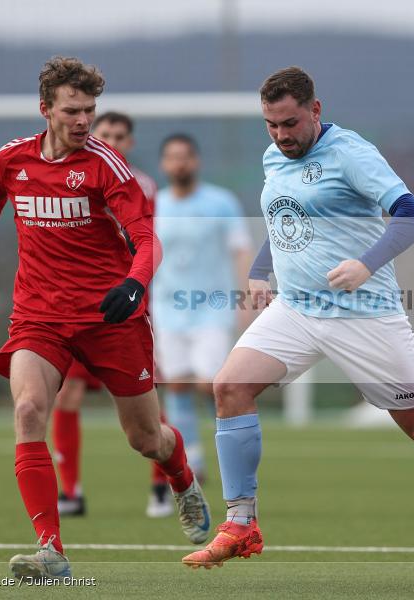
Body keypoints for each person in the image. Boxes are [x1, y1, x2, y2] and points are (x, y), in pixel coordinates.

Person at [182, 66, 414, 569]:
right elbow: (284, 217)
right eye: (271, 125)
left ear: (316, 110)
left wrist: (365, 264)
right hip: (297, 309)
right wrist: (262, 272)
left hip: (365, 314)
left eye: (289, 123)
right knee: (229, 387)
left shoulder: (352, 154)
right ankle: (241, 523)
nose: (282, 136)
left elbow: (412, 214)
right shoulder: (274, 156)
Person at [0, 56, 209, 581]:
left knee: (146, 440)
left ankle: (181, 477)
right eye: (73, 110)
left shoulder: (104, 165)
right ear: (45, 108)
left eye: (90, 110)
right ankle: (51, 550)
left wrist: (134, 283)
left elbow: (146, 237)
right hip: (39, 316)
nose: (84, 121)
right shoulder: (12, 160)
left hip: (110, 317)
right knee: (27, 411)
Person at [50, 110, 168, 519]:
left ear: (130, 143)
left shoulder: (141, 185)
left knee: (145, 402)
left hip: (123, 304)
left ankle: (162, 483)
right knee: (66, 394)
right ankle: (71, 492)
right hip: (76, 307)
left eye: (120, 135)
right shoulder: (66, 176)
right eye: (106, 134)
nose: (112, 141)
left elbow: (142, 240)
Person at [151, 133, 252, 502]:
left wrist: (244, 297)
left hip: (213, 306)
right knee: (176, 384)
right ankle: (191, 455)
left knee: (211, 384)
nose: (180, 163)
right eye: (172, 157)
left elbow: (240, 250)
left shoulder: (220, 202)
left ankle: (227, 448)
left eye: (186, 157)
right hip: (166, 308)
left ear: (197, 161)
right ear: (164, 164)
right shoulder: (154, 204)